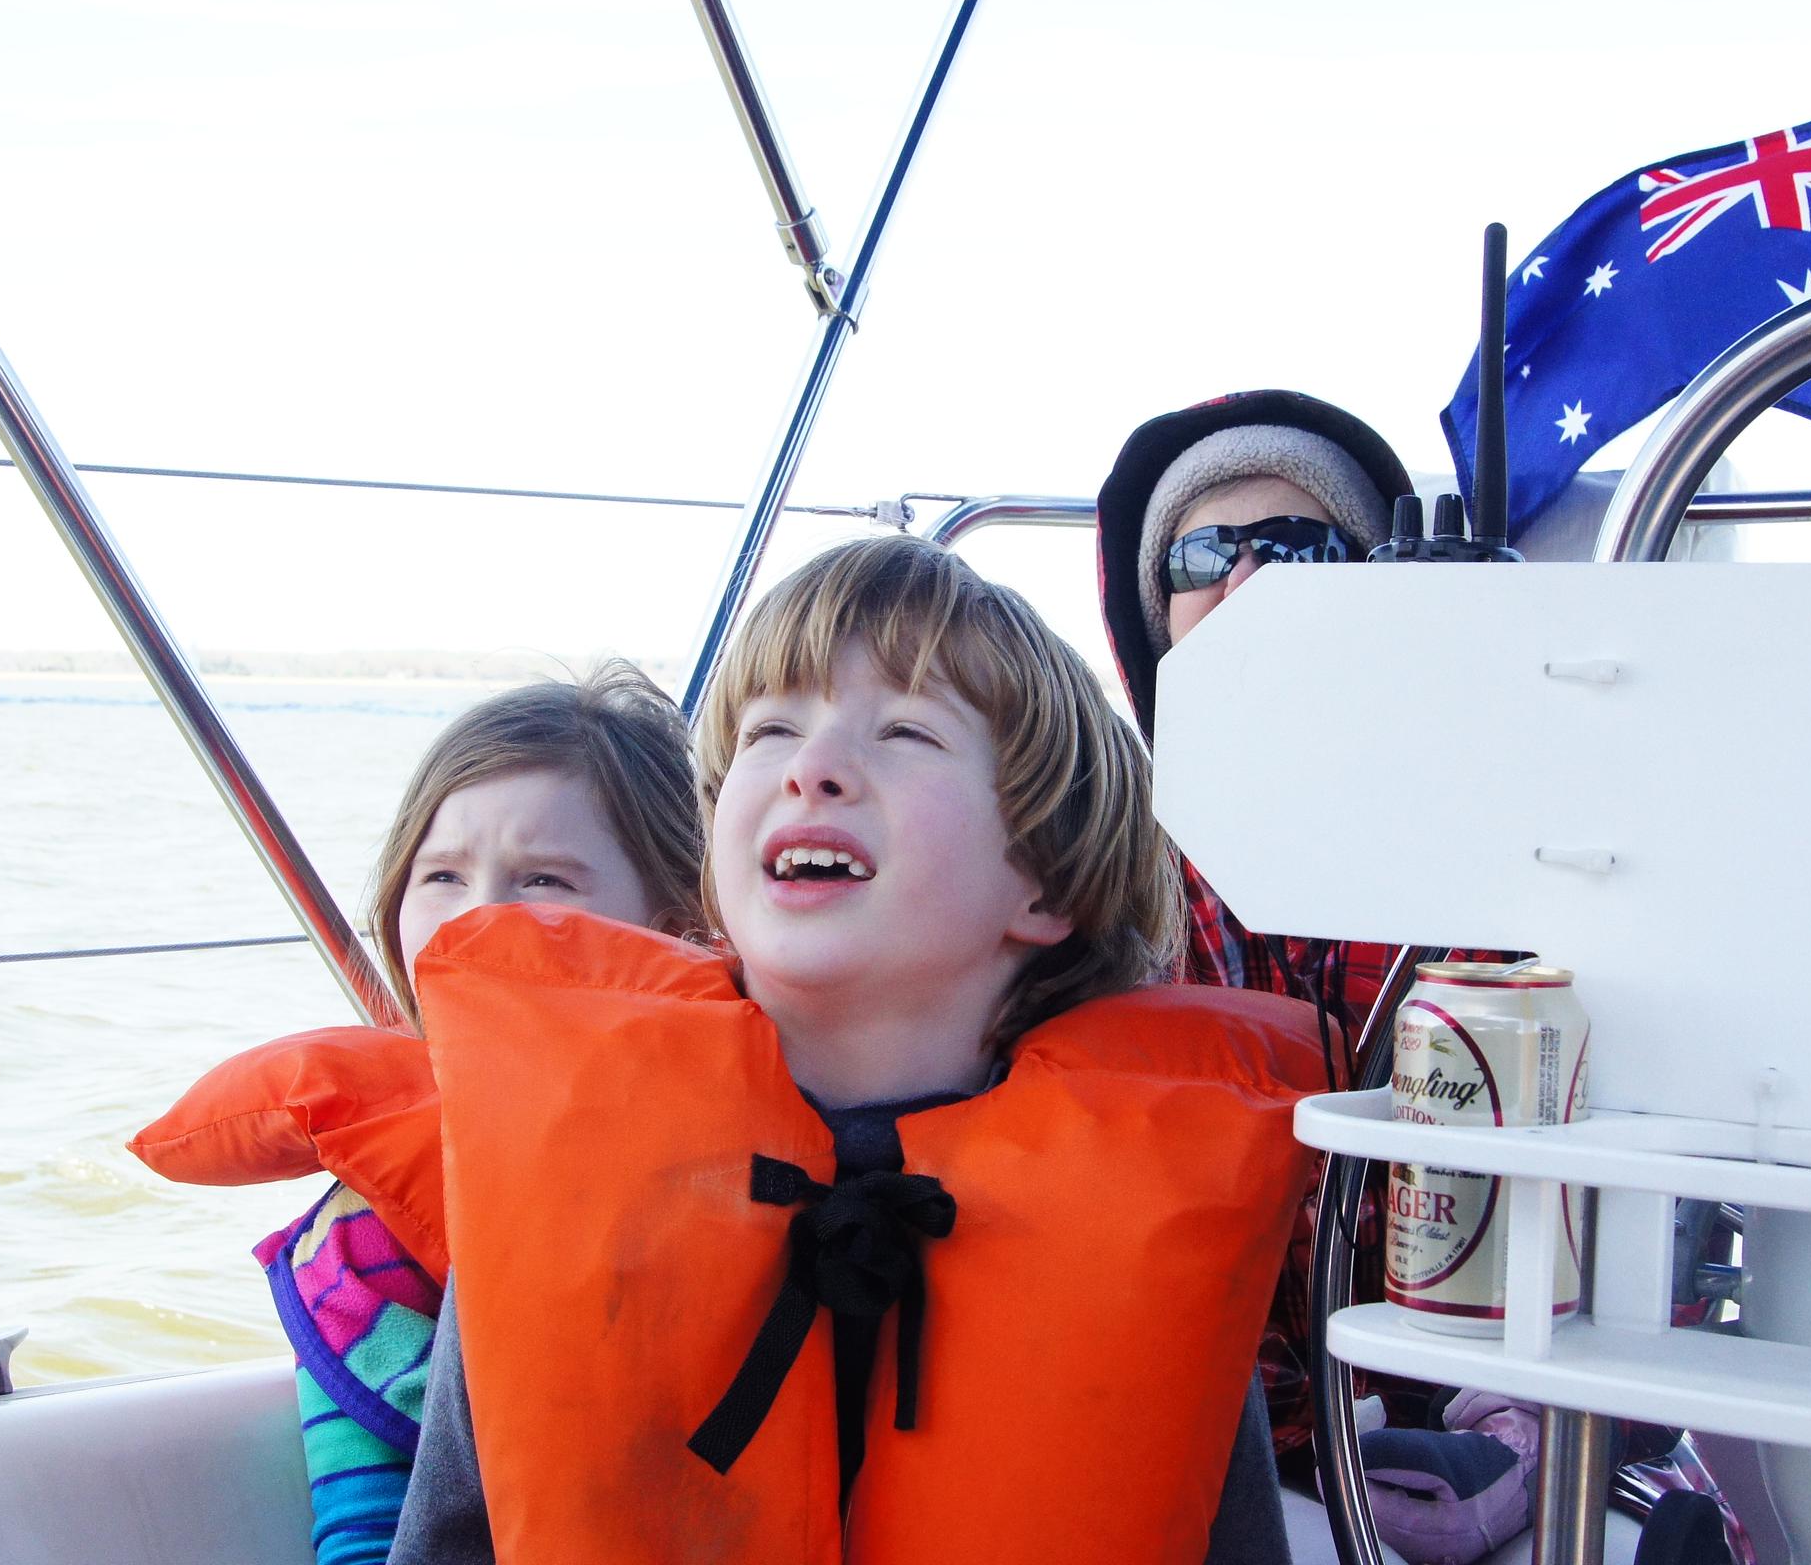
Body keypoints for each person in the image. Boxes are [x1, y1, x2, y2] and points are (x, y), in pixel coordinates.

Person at [387, 535, 1328, 1563]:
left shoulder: (1147, 1205)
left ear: (1046, 883)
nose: (813, 768)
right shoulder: (563, 1171)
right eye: (771, 727)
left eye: (908, 732)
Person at [1096, 390, 1541, 1563]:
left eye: (1296, 548)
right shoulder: (1090, 873)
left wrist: (1511, 1421)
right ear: (1159, 613)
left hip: (1483, 1426)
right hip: (1206, 1437)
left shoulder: (1513, 851)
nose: (1247, 582)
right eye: (1205, 553)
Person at [131, 664, 706, 1565]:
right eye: (442, 876)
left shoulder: (784, 1160)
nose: (477, 921)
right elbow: (365, 1540)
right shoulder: (365, 1250)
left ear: (675, 924)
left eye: (546, 880)